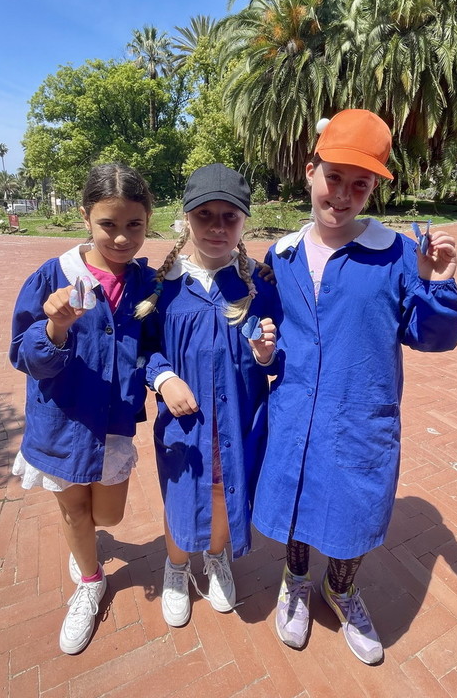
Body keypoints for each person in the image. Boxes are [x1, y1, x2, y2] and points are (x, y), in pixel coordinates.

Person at [252, 110, 457, 664]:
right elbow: (264, 320)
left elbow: (431, 337)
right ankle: (296, 581)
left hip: (361, 412)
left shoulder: (396, 254)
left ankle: (340, 589)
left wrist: (437, 285)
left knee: (356, 508)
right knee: (297, 499)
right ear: (310, 171)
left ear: (373, 189)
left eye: (360, 184)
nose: (343, 195)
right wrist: (262, 347)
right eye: (334, 177)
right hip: (297, 408)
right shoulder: (282, 255)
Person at [10, 163, 156, 655]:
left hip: (112, 424)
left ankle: (87, 544)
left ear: (148, 220)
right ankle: (90, 581)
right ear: (85, 217)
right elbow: (23, 355)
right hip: (61, 422)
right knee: (74, 508)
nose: (121, 237)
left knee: (108, 515)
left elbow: (155, 345)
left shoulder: (147, 284)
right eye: (108, 224)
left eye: (134, 224)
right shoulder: (53, 277)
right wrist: (55, 328)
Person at [135, 163, 278, 627]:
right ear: (186, 218)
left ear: (244, 221)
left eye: (229, 216)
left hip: (238, 416)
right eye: (205, 215)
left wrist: (266, 354)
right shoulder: (163, 286)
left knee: (224, 490)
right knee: (180, 494)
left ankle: (217, 557)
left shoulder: (258, 285)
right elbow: (140, 348)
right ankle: (176, 567)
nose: (217, 227)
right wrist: (163, 377)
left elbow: (282, 351)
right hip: (186, 423)